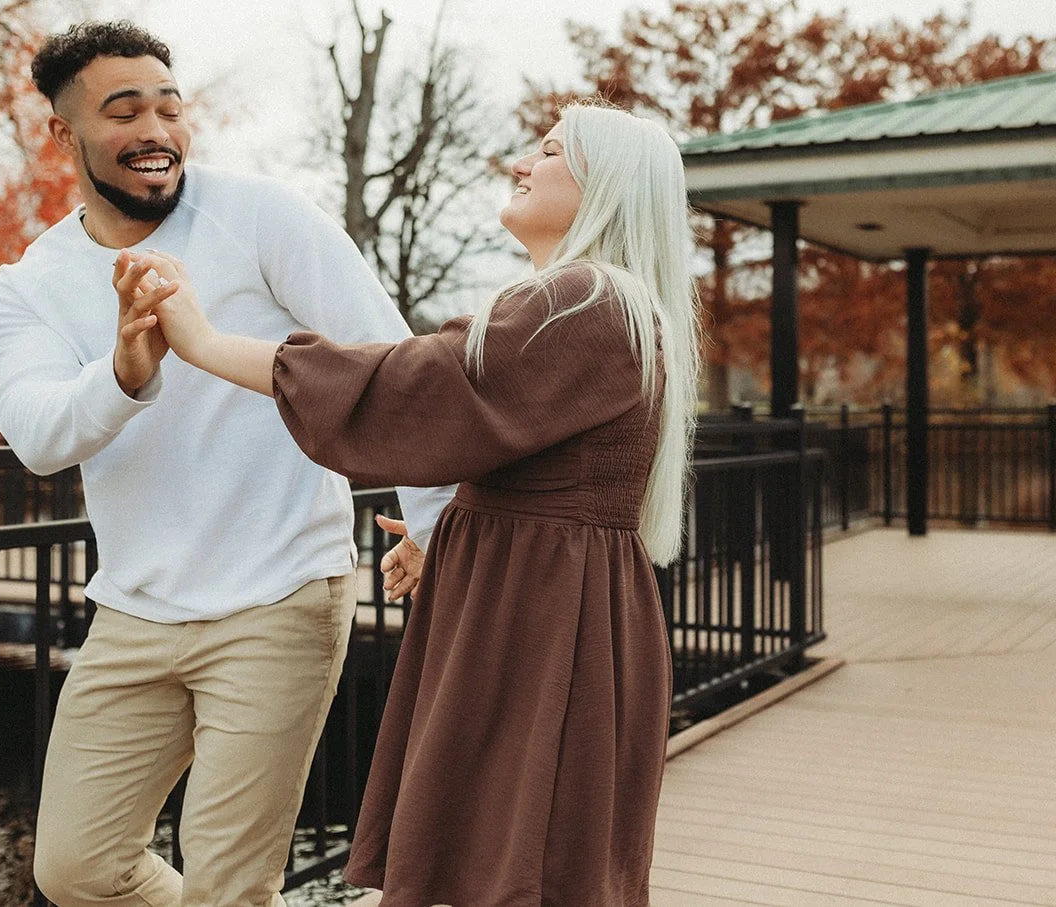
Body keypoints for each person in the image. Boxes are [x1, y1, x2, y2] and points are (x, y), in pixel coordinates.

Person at [125, 102, 698, 906]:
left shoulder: (586, 300)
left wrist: (206, 343)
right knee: (517, 856)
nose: (521, 165)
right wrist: (456, 529)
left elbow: (418, 387)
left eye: (547, 151)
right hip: (539, 606)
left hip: (541, 623)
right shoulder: (605, 305)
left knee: (515, 862)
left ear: (604, 184)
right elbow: (502, 439)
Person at [0, 19, 454, 907]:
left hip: (281, 594)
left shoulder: (263, 217)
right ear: (62, 133)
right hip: (134, 610)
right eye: (125, 111)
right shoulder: (28, 284)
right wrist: (124, 372)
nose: (156, 131)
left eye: (170, 107)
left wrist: (435, 526)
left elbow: (396, 369)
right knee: (75, 867)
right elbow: (39, 436)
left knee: (230, 884)